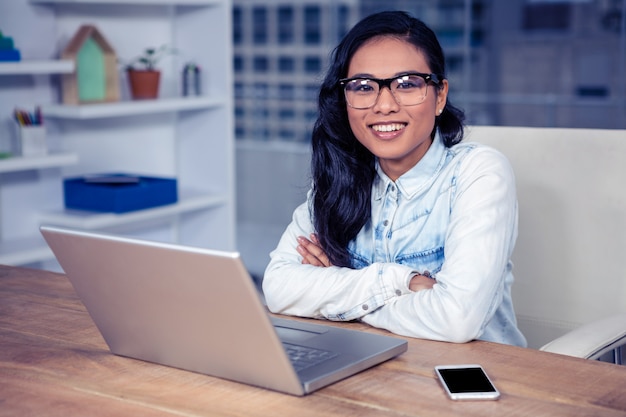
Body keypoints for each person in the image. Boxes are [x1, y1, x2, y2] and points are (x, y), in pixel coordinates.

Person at [262, 10, 527, 347]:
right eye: (363, 86)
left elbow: (457, 320)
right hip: (370, 370)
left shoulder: (478, 173)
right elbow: (278, 288)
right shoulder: (339, 179)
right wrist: (401, 282)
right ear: (344, 100)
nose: (384, 105)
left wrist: (335, 296)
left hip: (480, 376)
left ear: (439, 96)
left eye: (406, 84)